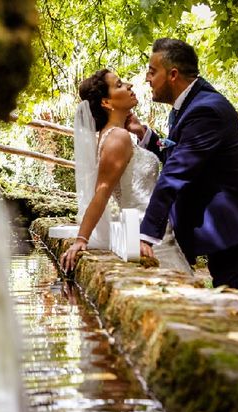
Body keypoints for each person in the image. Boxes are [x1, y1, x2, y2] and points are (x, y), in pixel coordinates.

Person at [126, 38, 238, 301]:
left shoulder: (207, 111)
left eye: (152, 70)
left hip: (237, 223)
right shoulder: (186, 106)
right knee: (227, 300)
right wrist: (145, 134)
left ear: (172, 75)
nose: (147, 78)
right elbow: (178, 153)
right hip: (221, 224)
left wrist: (147, 235)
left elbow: (174, 175)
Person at [60, 69, 190, 274]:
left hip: (157, 231)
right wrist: (81, 240)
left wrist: (141, 131)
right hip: (147, 237)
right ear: (106, 102)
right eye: (119, 84)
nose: (129, 85)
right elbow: (101, 191)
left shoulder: (120, 135)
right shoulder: (117, 138)